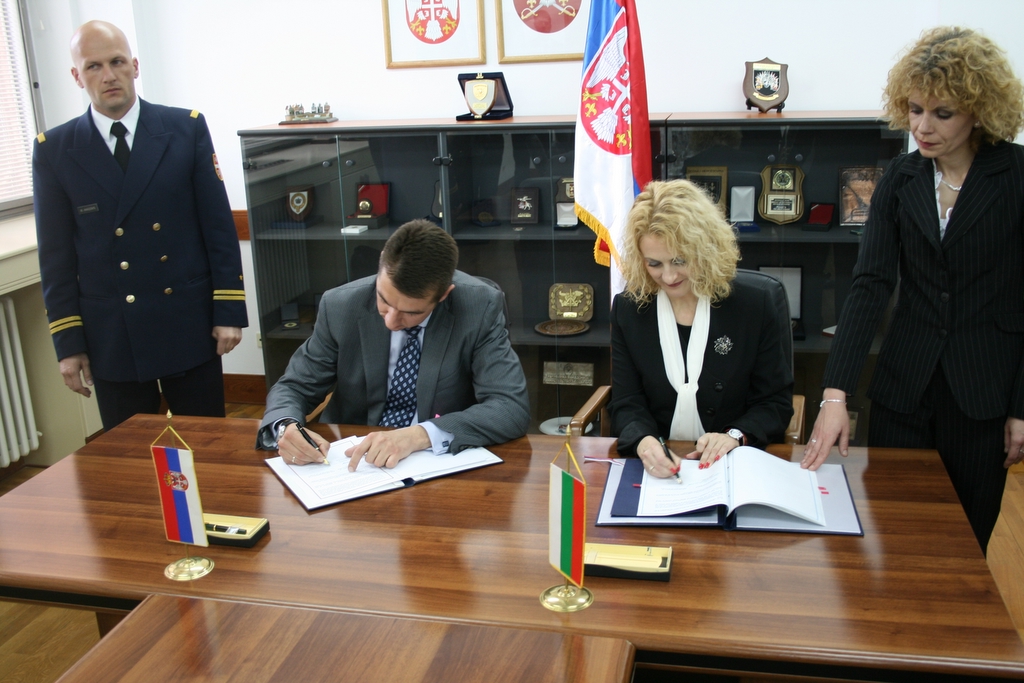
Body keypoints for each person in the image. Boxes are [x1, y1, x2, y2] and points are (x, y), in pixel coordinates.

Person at [801, 27, 1024, 552]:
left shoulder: (1016, 176)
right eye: (915, 109)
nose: (922, 126)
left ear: (979, 111)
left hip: (984, 393)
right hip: (904, 389)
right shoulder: (900, 179)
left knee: (966, 543)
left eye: (942, 113)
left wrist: (1022, 405)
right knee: (897, 532)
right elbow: (870, 286)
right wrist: (835, 395)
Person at [32, 20, 247, 431]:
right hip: (112, 335)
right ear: (77, 76)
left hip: (187, 321)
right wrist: (68, 344)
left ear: (134, 65)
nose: (108, 75)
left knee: (207, 446)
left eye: (116, 62)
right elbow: (56, 260)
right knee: (130, 459)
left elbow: (218, 228)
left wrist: (229, 309)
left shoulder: (185, 129)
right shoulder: (55, 151)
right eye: (93, 66)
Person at [258, 219, 530, 470]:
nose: (391, 321)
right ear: (381, 266)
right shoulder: (340, 306)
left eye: (411, 313)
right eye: (384, 301)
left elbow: (509, 407)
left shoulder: (479, 307)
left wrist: (418, 435)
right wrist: (285, 427)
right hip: (354, 463)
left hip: (437, 463)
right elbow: (294, 387)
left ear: (444, 295)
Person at [609, 179, 794, 476]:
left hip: (734, 463)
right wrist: (643, 441)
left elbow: (774, 403)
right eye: (654, 263)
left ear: (705, 248)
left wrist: (734, 436)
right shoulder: (630, 309)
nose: (668, 277)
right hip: (660, 465)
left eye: (679, 261)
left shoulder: (753, 305)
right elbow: (627, 401)